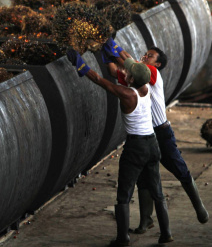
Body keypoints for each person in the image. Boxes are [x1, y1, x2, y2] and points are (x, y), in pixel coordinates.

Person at [101, 38, 209, 235]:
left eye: (150, 56)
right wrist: (103, 53)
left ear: (157, 64)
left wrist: (114, 47)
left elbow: (129, 63)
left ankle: (199, 207)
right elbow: (112, 72)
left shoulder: (152, 73)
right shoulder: (135, 77)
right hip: (146, 135)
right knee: (144, 179)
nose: (145, 56)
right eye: (146, 53)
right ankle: (146, 221)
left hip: (161, 132)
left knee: (179, 168)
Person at [67, 50, 173, 246]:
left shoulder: (127, 94)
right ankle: (166, 233)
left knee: (124, 192)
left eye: (128, 73)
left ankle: (123, 238)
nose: (125, 73)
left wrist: (80, 65)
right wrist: (113, 51)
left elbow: (99, 80)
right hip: (152, 144)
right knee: (157, 190)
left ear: (131, 79)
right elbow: (133, 69)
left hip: (136, 147)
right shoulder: (146, 90)